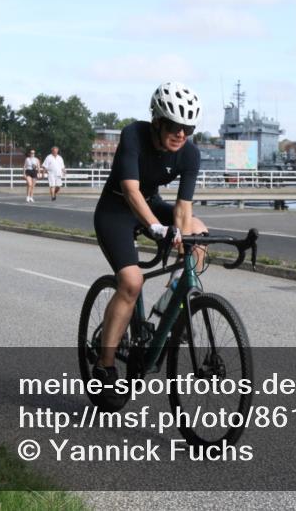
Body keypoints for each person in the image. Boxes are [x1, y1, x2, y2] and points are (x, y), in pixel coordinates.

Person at [92, 82, 206, 398]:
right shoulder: (133, 135)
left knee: (198, 230)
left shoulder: (190, 154)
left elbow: (183, 208)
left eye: (188, 128)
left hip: (151, 203)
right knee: (131, 282)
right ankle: (105, 363)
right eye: (174, 125)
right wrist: (157, 228)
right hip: (116, 209)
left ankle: (173, 307)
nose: (181, 134)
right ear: (157, 121)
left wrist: (184, 238)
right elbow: (130, 190)